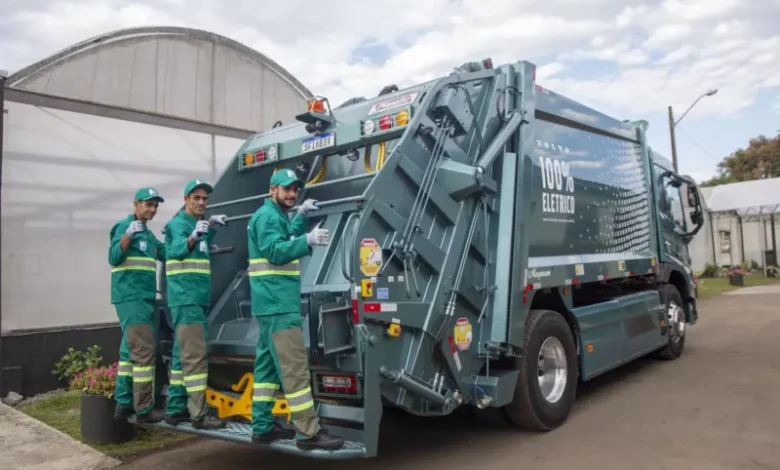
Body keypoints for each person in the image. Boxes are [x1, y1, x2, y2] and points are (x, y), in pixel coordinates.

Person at [247, 168, 344, 450]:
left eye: (295, 190)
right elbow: (276, 251)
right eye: (286, 189)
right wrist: (308, 240)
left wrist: (300, 215)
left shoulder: (275, 215)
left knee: (266, 370)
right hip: (278, 303)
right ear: (272, 189)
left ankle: (262, 426)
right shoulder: (267, 216)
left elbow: (286, 236)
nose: (291, 194)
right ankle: (308, 433)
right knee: (295, 371)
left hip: (271, 304)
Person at [163, 179, 228, 429]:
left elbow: (198, 242)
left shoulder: (195, 223)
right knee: (195, 359)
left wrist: (210, 225)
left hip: (195, 299)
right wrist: (196, 234)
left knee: (182, 356)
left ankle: (175, 409)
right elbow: (179, 249)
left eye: (204, 199)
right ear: (185, 199)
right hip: (186, 299)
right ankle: (199, 414)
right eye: (196, 198)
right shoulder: (178, 225)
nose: (201, 202)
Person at [108, 187, 167, 423]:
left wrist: (196, 239)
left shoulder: (148, 235)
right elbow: (113, 257)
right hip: (131, 298)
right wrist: (127, 237)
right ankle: (144, 409)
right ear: (136, 204)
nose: (152, 209)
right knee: (144, 353)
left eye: (155, 206)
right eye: (148, 204)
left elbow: (167, 254)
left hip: (142, 298)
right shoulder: (125, 226)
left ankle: (123, 404)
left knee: (128, 354)